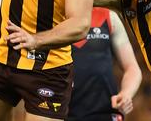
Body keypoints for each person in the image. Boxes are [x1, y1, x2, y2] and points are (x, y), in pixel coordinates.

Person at [13, 8, 142, 121]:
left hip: (105, 112)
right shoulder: (45, 19)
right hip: (58, 113)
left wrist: (126, 93)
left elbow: (132, 68)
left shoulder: (107, 17)